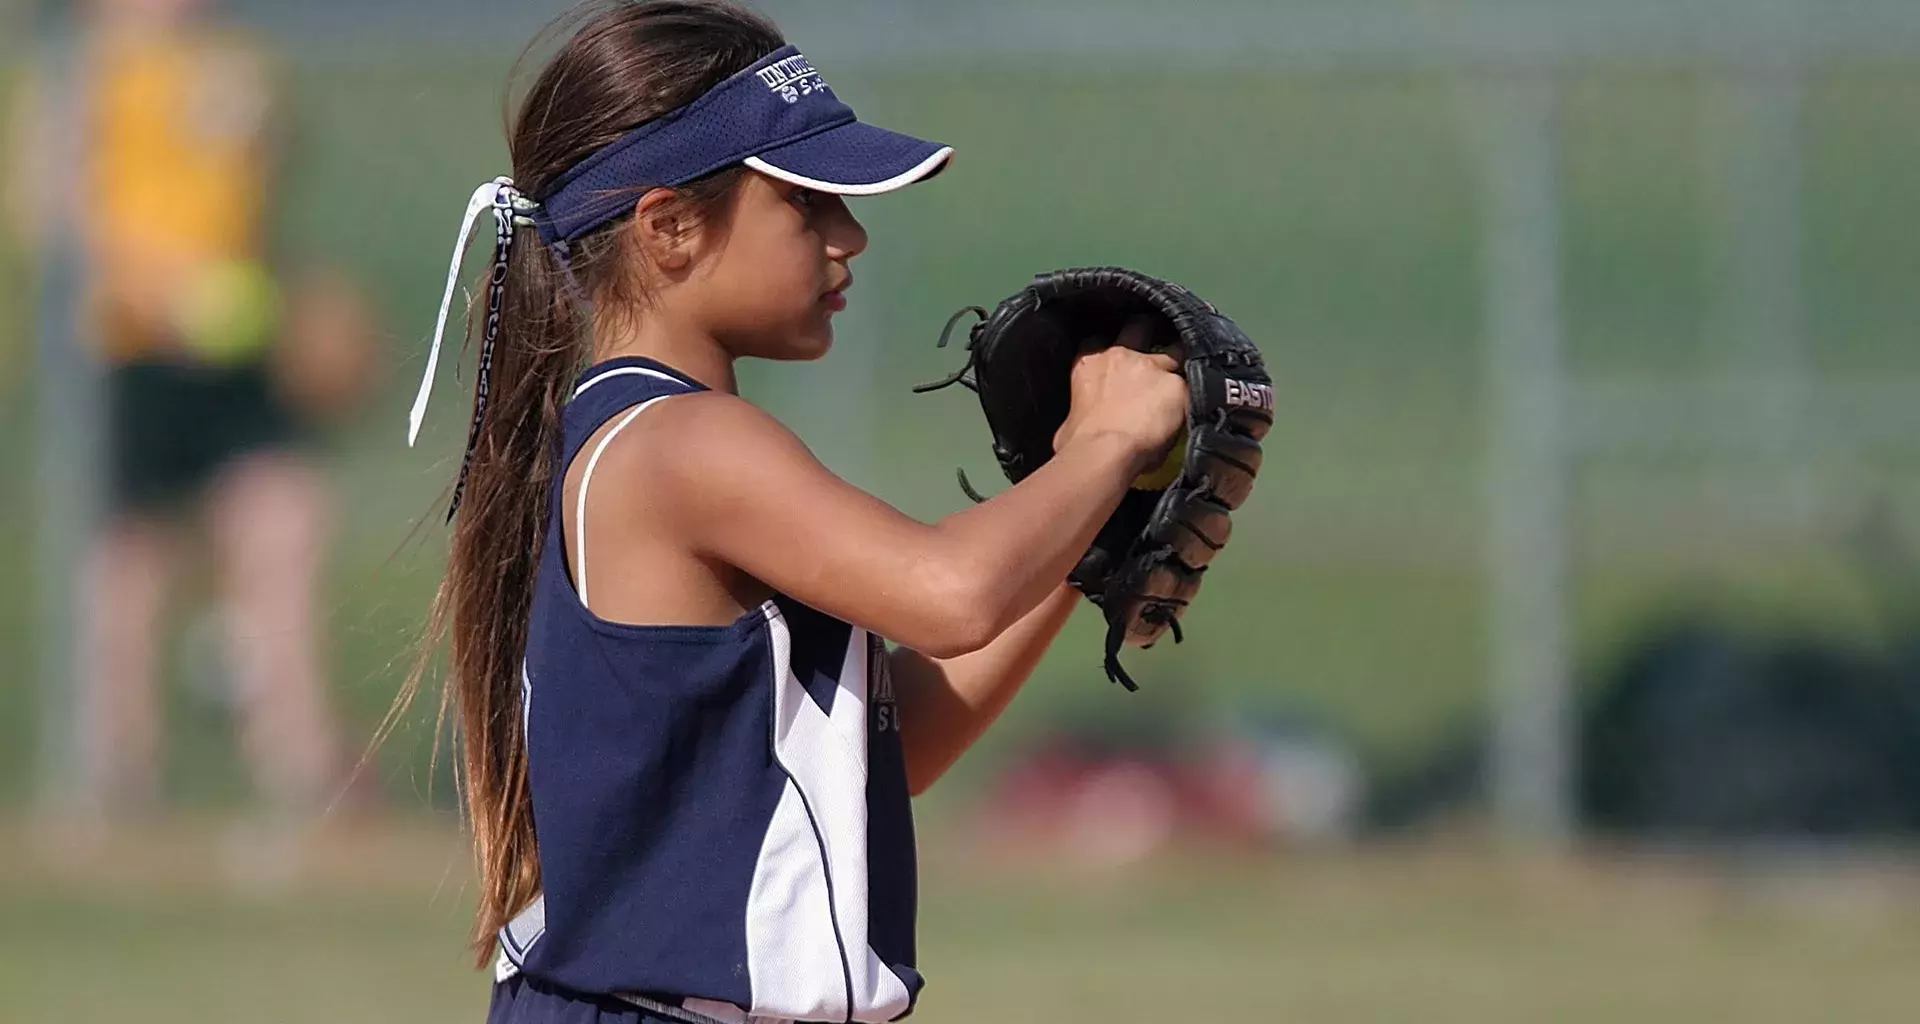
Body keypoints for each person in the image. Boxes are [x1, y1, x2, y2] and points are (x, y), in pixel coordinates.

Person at [400, 3, 1187, 1021]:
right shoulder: (684, 446)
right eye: (807, 205)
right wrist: (1103, 445)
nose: (848, 235)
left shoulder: (661, 437)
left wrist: (1091, 532)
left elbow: (881, 754)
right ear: (668, 228)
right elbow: (949, 593)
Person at [11, 0, 370, 830]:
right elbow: (48, 216)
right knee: (125, 570)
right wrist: (166, 287)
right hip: (123, 355)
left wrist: (295, 299)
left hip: (233, 354)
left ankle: (299, 763)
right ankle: (114, 774)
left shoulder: (234, 66)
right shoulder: (80, 75)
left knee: (284, 523)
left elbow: (259, 211)